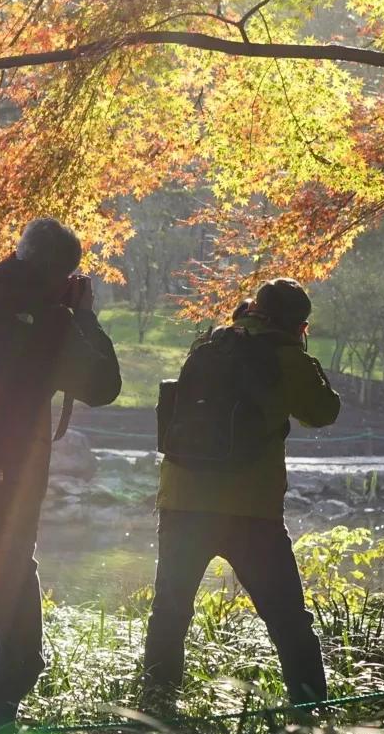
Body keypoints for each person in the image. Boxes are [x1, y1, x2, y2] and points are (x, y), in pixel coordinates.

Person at [0, 218, 122, 734]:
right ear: (60, 274)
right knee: (20, 656)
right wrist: (85, 317)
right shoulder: (41, 325)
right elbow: (104, 384)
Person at [142, 278, 341, 706]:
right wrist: (306, 358)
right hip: (250, 512)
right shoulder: (287, 357)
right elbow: (324, 412)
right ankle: (310, 714)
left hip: (182, 501)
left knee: (170, 616)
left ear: (253, 309)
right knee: (288, 619)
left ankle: (155, 711)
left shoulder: (209, 345)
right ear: (298, 325)